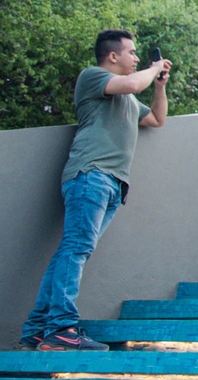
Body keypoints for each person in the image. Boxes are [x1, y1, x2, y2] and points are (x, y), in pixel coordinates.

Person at [21, 30, 171, 351]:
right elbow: (131, 83)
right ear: (112, 56)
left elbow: (157, 119)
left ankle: (37, 329)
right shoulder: (93, 77)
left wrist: (159, 86)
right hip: (91, 174)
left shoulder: (129, 100)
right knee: (76, 250)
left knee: (73, 251)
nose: (135, 57)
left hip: (113, 184)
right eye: (131, 52)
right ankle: (60, 327)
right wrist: (152, 70)